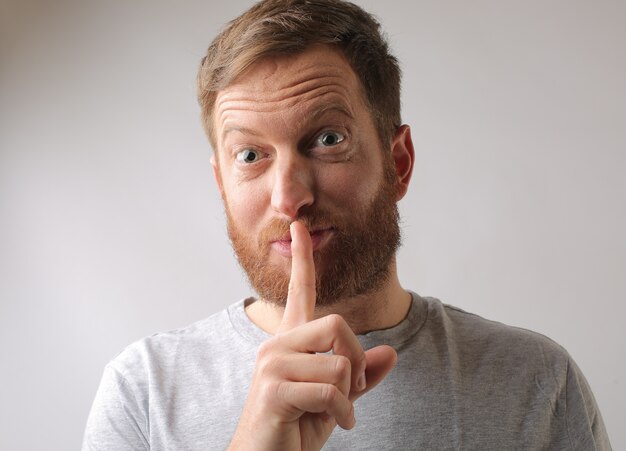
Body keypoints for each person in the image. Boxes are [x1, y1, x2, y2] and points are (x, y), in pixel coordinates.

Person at [82, 0, 612, 449]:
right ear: (223, 185)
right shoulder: (142, 393)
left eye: (328, 139)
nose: (289, 197)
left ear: (398, 162)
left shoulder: (538, 382)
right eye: (250, 155)